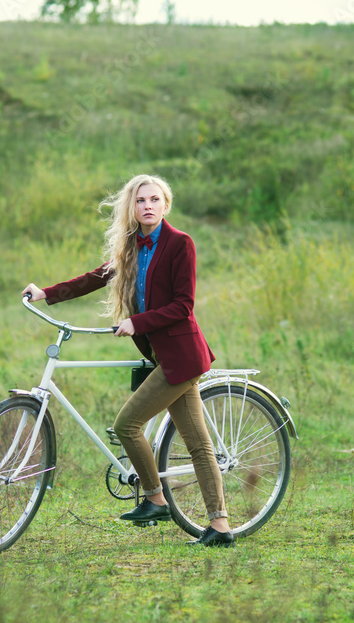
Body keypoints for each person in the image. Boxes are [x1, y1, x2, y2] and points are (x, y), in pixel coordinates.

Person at [22, 174, 234, 547]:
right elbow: (97, 277)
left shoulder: (180, 244)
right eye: (140, 201)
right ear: (132, 208)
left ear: (165, 205)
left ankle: (155, 499)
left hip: (181, 358)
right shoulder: (132, 246)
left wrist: (137, 322)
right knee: (199, 446)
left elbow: (183, 306)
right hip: (162, 356)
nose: (147, 205)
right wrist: (46, 293)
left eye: (154, 199)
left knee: (127, 425)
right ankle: (221, 528)